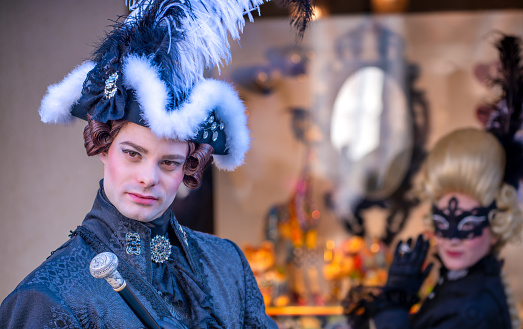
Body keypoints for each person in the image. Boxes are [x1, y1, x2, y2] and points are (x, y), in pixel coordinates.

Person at [0, 0, 315, 327]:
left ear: (188, 167)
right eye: (133, 154)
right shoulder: (48, 298)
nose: (148, 178)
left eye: (168, 162)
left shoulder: (227, 265)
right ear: (104, 147)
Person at [345, 35, 523, 329]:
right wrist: (401, 299)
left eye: (467, 224)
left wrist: (394, 304)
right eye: (443, 221)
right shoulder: (463, 282)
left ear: (497, 223)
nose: (452, 237)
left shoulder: (470, 309)